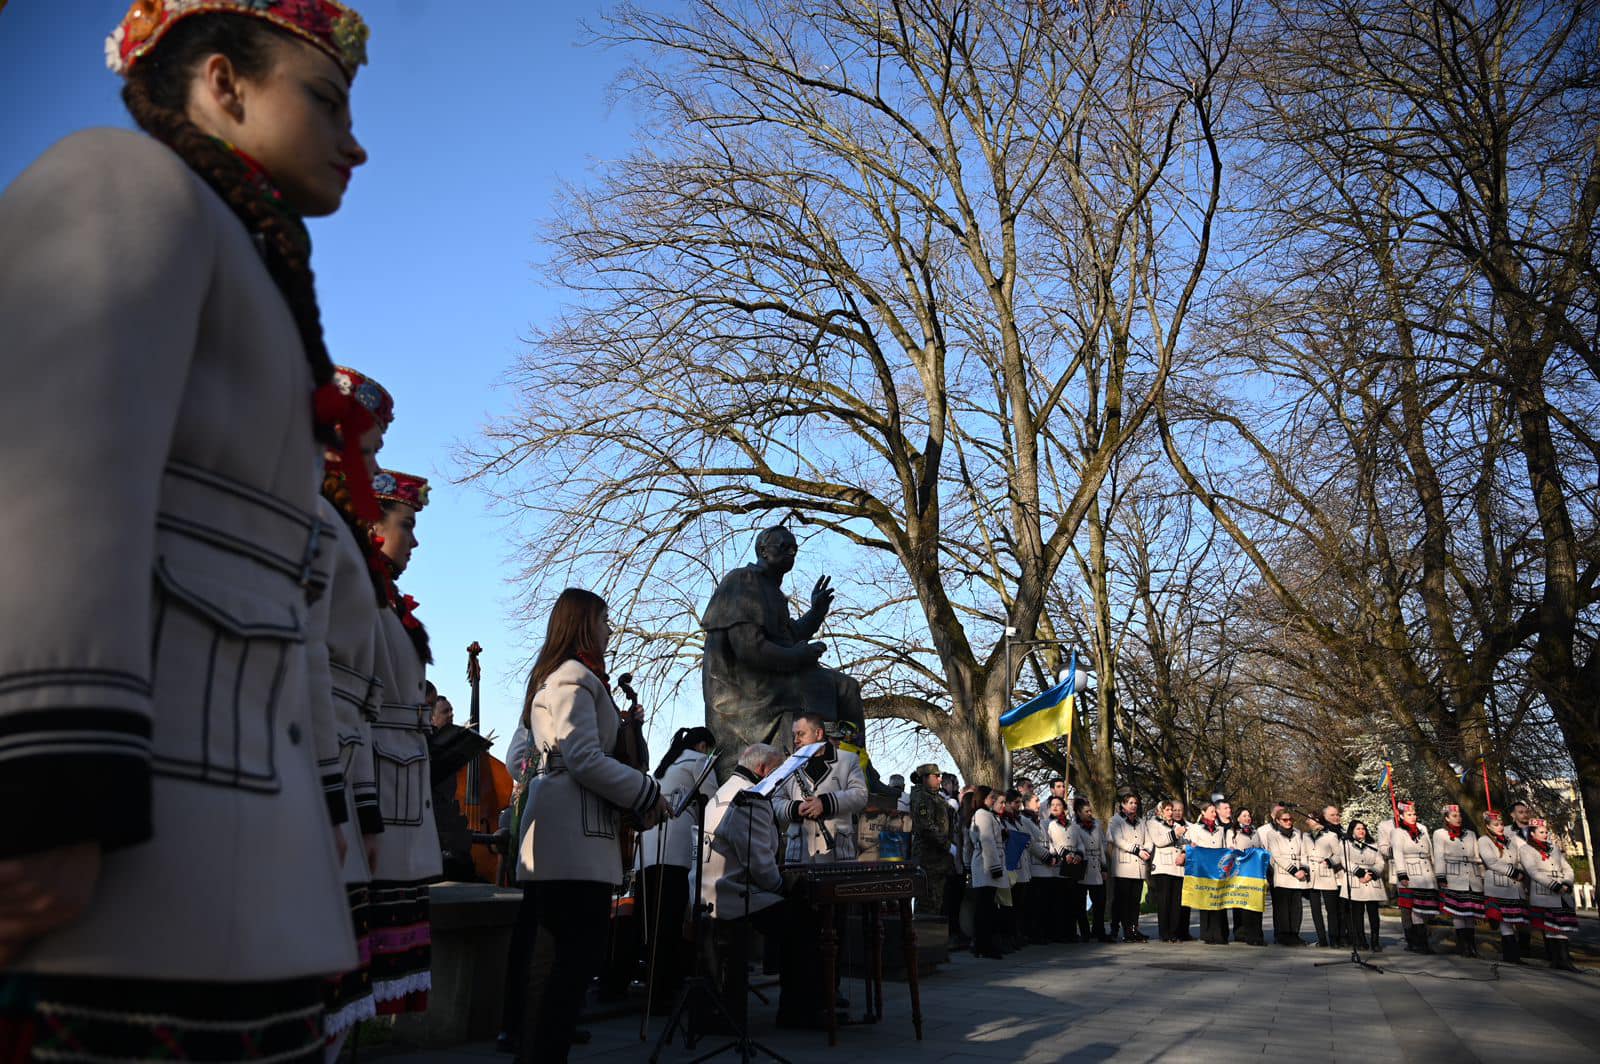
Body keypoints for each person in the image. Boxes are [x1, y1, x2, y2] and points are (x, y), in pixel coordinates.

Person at [0, 2, 373, 1059]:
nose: (355, 140)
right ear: (222, 83)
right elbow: (52, 479)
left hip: (236, 888)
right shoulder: (123, 183)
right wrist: (44, 791)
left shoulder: (248, 259)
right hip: (108, 885)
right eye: (326, 100)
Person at [515, 588, 669, 1063]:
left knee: (560, 962)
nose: (609, 629)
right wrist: (646, 791)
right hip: (571, 840)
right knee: (568, 961)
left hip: (571, 835)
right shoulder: (572, 679)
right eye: (604, 620)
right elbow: (581, 756)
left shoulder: (575, 678)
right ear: (584, 624)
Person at [312, 365, 395, 1053]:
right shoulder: (314, 521)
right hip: (319, 759)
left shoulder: (335, 531)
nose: (374, 469)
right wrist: (340, 798)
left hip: (340, 756)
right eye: (366, 452)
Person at [367, 469, 443, 1014]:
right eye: (406, 524)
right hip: (374, 791)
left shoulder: (386, 600)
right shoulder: (364, 596)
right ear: (373, 525)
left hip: (398, 796)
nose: (414, 540)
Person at [701, 743, 804, 1029]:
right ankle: (798, 1010)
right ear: (762, 770)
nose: (779, 781)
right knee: (802, 924)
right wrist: (782, 885)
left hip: (706, 890)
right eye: (778, 774)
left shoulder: (723, 790)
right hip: (732, 895)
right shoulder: (751, 799)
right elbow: (759, 865)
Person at [636, 726, 719, 1016]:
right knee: (671, 925)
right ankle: (666, 993)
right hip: (676, 852)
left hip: (647, 853)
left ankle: (654, 992)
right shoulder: (699, 762)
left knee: (655, 927)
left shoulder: (667, 765)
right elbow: (715, 803)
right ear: (702, 746)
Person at [778, 713, 869, 864]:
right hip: (798, 857)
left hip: (837, 857)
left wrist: (825, 803)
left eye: (801, 734)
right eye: (794, 735)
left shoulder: (848, 759)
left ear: (818, 733)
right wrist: (796, 808)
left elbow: (860, 795)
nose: (796, 740)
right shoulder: (789, 765)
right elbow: (776, 802)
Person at [1516, 818, 1580, 972]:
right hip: (1544, 891)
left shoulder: (1554, 848)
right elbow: (1533, 871)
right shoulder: (1526, 849)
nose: (1545, 835)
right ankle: (1556, 959)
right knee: (1551, 927)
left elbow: (1567, 868)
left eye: (1546, 832)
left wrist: (1566, 882)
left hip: (1562, 892)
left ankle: (1564, 959)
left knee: (1563, 926)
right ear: (1532, 833)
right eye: (1542, 832)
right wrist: (1554, 885)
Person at [1383, 800, 1438, 953]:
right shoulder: (1398, 832)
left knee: (1425, 909)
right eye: (1409, 814)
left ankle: (1422, 940)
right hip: (1410, 872)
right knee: (1414, 910)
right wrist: (1402, 874)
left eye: (1414, 814)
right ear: (1401, 816)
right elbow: (1398, 853)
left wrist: (1436, 870)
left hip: (1426, 873)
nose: (1413, 817)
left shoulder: (1422, 828)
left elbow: (1431, 850)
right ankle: (1417, 942)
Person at [1432, 804, 1485, 957]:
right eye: (1454, 816)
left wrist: (1481, 876)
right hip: (1454, 876)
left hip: (1472, 876)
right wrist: (1441, 876)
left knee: (1470, 913)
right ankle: (1462, 945)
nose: (1459, 818)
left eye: (1460, 815)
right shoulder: (1440, 834)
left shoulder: (1470, 834)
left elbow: (1477, 856)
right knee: (1458, 912)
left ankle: (1471, 944)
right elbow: (1439, 856)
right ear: (1446, 818)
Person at [1476, 810, 1527, 964]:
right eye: (1496, 824)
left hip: (1514, 886)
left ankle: (1515, 953)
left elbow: (1517, 859)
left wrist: (1521, 872)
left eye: (1501, 824)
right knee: (1505, 921)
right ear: (1488, 827)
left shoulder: (1510, 840)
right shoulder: (1484, 841)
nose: (1500, 827)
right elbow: (1491, 862)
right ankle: (1511, 955)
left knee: (1515, 920)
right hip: (1498, 885)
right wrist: (1512, 872)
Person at [909, 764, 954, 918]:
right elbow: (925, 826)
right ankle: (925, 939)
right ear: (925, 778)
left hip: (938, 859)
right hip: (928, 858)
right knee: (927, 900)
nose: (940, 779)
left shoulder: (936, 797)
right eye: (936, 776)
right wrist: (947, 845)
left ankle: (934, 939)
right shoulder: (922, 797)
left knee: (937, 901)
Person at [966, 786, 1007, 959]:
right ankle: (984, 945)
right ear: (983, 798)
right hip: (986, 865)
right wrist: (994, 867)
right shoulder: (983, 815)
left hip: (988, 862)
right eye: (991, 797)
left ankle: (983, 944)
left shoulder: (988, 815)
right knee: (985, 908)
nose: (993, 799)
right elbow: (987, 840)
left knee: (986, 907)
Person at [1108, 793, 1152, 942]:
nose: (1134, 805)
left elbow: (1149, 840)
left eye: (1135, 803)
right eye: (1131, 803)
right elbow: (1118, 840)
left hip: (1138, 867)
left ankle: (1133, 929)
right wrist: (1137, 850)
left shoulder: (1141, 822)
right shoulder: (1116, 820)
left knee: (1135, 901)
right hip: (1123, 867)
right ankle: (1116, 929)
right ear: (1123, 804)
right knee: (1121, 901)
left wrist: (1146, 850)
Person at [1263, 805, 1309, 946]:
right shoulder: (1272, 835)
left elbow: (1304, 853)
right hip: (1283, 875)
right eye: (1285, 820)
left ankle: (1294, 933)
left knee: (1296, 908)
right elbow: (1277, 856)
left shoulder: (1297, 833)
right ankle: (1282, 935)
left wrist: (1303, 868)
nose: (1289, 822)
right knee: (1282, 908)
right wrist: (1294, 871)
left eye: (1291, 819)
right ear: (1278, 820)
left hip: (1298, 876)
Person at [1068, 798, 1112, 942]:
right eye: (1086, 811)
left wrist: (1104, 867)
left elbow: (1101, 847)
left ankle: (1099, 930)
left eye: (1090, 811)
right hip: (1082, 866)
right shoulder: (1073, 827)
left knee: (1099, 901)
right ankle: (1085, 932)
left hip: (1096, 866)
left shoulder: (1097, 825)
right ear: (1078, 812)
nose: (1089, 813)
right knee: (1080, 903)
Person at [1147, 800, 1189, 943]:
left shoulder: (1177, 825)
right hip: (1162, 867)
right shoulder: (1153, 823)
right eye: (1167, 810)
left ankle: (1174, 932)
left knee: (1176, 902)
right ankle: (1164, 932)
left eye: (1172, 809)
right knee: (1164, 901)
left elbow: (1185, 843)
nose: (1171, 812)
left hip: (1178, 867)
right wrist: (1174, 834)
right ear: (1159, 811)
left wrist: (1184, 853)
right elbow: (1158, 841)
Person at [1341, 821, 1386, 951]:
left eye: (1363, 828)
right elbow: (1345, 860)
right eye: (1358, 829)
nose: (1361, 831)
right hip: (1355, 880)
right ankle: (1361, 940)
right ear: (1352, 831)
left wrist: (1370, 874)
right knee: (1357, 914)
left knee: (1373, 914)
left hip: (1372, 881)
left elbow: (1380, 862)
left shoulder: (1373, 844)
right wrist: (1359, 873)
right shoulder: (1346, 843)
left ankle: (1375, 941)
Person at [1188, 802, 1228, 945]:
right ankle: (1206, 933)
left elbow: (1223, 848)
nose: (1214, 814)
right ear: (1203, 812)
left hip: (1217, 870)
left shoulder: (1220, 829)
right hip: (1203, 869)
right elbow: (1193, 847)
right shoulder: (1196, 828)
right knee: (1205, 901)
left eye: (1214, 812)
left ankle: (1218, 933)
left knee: (1217, 901)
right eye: (1211, 811)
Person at [1227, 808, 1267, 946]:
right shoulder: (1232, 832)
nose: (1247, 818)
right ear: (1237, 818)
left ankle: (1256, 933)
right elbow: (1229, 851)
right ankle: (1242, 933)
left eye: (1249, 815)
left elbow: (1261, 848)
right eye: (1244, 816)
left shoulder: (1256, 832)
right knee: (1241, 903)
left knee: (1254, 903)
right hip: (1240, 873)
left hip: (1255, 873)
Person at [1044, 795, 1081, 942]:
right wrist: (1065, 854)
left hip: (1073, 867)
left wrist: (1078, 853)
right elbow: (1053, 843)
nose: (1055, 807)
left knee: (1072, 902)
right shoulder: (1050, 824)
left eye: (1058, 804)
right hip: (1058, 866)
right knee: (1059, 902)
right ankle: (1059, 933)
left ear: (1064, 808)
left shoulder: (1073, 825)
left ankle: (1071, 931)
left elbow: (1080, 843)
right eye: (1052, 805)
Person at [1303, 812, 1343, 948]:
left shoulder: (1331, 835)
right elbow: (1303, 854)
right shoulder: (1305, 836)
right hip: (1312, 874)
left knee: (1331, 909)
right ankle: (1322, 938)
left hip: (1326, 872)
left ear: (1316, 820)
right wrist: (1304, 868)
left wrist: (1329, 861)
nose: (1307, 820)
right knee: (1315, 909)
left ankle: (1334, 938)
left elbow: (1338, 854)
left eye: (1309, 818)